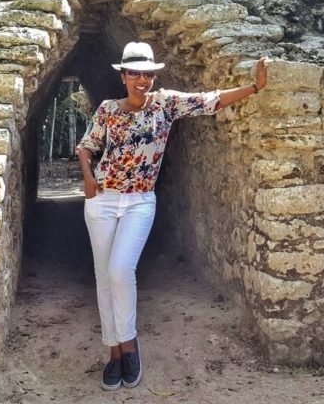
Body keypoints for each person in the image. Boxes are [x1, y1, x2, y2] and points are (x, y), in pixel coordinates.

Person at [74, 41, 269, 391]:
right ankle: (114, 353)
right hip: (102, 201)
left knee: (120, 269)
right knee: (104, 277)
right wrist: (88, 179)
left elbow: (211, 100)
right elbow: (87, 146)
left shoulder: (165, 105)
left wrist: (254, 87)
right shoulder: (107, 110)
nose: (141, 80)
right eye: (134, 73)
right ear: (123, 76)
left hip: (139, 201)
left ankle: (130, 346)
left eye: (147, 74)